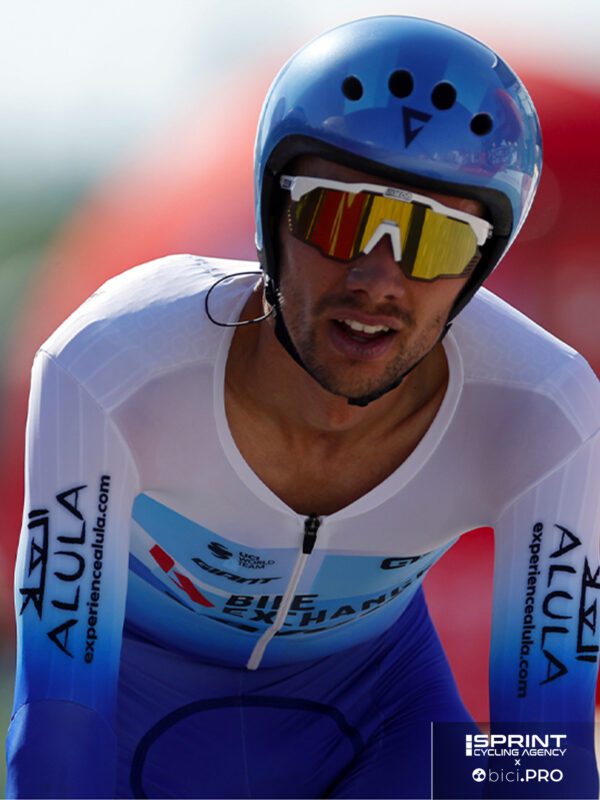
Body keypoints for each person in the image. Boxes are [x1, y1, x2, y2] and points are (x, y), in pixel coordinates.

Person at [6, 15, 600, 800]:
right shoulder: (113, 359)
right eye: (338, 217)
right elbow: (56, 721)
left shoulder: (545, 407)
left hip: (386, 730)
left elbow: (547, 752)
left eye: (437, 241)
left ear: (482, 266)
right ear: (269, 216)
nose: (378, 279)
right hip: (132, 726)